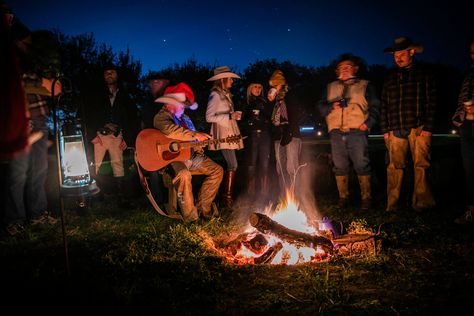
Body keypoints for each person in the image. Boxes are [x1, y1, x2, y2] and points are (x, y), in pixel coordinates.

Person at [3, 29, 61, 236]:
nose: (27, 45)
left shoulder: (34, 63)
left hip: (40, 120)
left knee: (40, 170)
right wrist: (38, 84)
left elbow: (55, 88)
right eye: (25, 42)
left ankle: (38, 214)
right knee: (18, 172)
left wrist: (46, 83)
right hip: (21, 120)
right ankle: (15, 220)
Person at [380, 36, 437, 212]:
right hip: (395, 128)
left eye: (402, 54)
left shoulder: (424, 74)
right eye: (395, 55)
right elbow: (384, 105)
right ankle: (393, 205)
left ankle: (422, 204)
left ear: (411, 52)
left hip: (418, 127)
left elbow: (432, 101)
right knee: (394, 168)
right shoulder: (390, 78)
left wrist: (428, 127)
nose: (398, 58)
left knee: (421, 166)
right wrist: (385, 129)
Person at [154, 83, 224, 222]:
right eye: (180, 103)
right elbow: (171, 130)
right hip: (172, 159)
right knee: (184, 174)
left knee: (217, 170)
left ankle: (204, 208)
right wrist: (195, 135)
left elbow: (192, 139)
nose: (183, 106)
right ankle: (191, 217)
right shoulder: (161, 117)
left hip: (191, 156)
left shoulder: (185, 118)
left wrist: (198, 146)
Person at [318, 54, 380, 210]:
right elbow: (320, 107)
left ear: (356, 68)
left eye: (348, 67)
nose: (344, 70)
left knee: (361, 164)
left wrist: (368, 123)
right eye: (341, 68)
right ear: (336, 70)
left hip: (357, 131)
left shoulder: (365, 85)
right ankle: (343, 198)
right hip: (336, 132)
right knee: (339, 166)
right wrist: (332, 106)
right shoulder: (330, 87)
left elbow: (375, 107)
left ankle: (366, 199)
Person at [81, 64, 139, 208]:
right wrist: (92, 134)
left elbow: (132, 118)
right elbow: (88, 115)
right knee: (94, 165)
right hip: (99, 135)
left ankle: (122, 198)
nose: (109, 75)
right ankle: (95, 196)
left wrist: (128, 138)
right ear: (103, 76)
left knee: (118, 165)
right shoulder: (96, 95)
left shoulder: (124, 96)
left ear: (117, 75)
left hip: (117, 135)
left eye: (112, 72)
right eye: (106, 72)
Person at [205, 66, 244, 208]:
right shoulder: (215, 95)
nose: (232, 82)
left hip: (229, 132)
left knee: (231, 164)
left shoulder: (225, 94)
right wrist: (229, 116)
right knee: (233, 164)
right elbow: (209, 117)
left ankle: (224, 197)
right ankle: (226, 199)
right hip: (223, 135)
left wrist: (233, 116)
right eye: (230, 79)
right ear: (223, 80)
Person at [269, 70, 303, 197]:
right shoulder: (274, 101)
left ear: (282, 85)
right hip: (278, 135)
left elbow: (295, 115)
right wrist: (271, 100)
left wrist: (289, 132)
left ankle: (296, 195)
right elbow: (270, 118)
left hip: (292, 134)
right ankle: (284, 195)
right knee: (280, 168)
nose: (274, 87)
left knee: (291, 167)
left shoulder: (290, 96)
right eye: (273, 85)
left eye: (276, 85)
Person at [453, 39, 474, 224]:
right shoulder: (469, 76)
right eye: (472, 52)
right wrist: (459, 118)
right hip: (468, 127)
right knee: (470, 169)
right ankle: (471, 210)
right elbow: (462, 99)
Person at [140, 74, 170, 204]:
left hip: (167, 140)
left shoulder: (167, 101)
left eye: (157, 82)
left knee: (169, 167)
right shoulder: (147, 102)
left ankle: (171, 198)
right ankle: (158, 201)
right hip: (151, 141)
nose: (153, 85)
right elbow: (143, 122)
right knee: (153, 169)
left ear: (164, 83)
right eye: (151, 82)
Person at [242, 83, 273, 203]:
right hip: (252, 136)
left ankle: (264, 194)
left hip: (265, 135)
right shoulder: (246, 102)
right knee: (251, 165)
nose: (258, 89)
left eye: (260, 87)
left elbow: (270, 116)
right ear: (250, 88)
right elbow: (241, 119)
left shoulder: (265, 101)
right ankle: (250, 195)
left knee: (265, 164)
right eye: (255, 87)